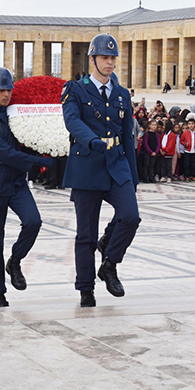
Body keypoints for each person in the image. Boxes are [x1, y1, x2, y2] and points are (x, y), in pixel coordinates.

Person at [62, 34, 140, 308]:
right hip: (86, 165)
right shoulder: (76, 89)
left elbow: (128, 138)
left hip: (117, 164)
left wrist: (134, 176)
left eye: (113, 58)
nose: (110, 62)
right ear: (92, 59)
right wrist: (91, 140)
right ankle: (86, 288)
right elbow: (72, 121)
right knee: (86, 235)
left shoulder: (121, 94)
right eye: (105, 58)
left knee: (130, 216)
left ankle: (109, 263)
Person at [0, 67, 54, 308]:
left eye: (9, 90)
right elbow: (5, 152)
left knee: (34, 221)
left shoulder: (17, 113)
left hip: (16, 182)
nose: (7, 94)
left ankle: (15, 260)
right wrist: (37, 162)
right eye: (1, 90)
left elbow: (27, 140)